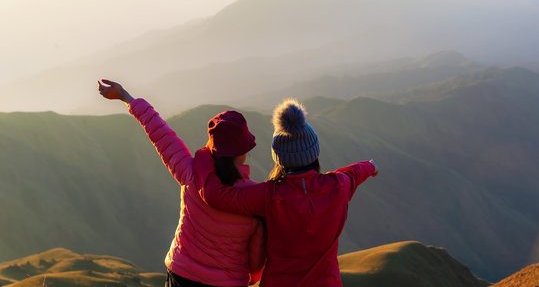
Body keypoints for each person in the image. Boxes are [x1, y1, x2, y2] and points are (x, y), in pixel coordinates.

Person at [97, 79, 265, 287]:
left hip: (181, 275)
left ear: (212, 147)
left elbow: (160, 133)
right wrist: (249, 277)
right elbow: (256, 258)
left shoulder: (191, 174)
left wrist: (125, 96)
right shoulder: (256, 199)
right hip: (227, 283)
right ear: (243, 152)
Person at [195, 98, 379, 287]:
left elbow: (215, 196)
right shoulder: (338, 186)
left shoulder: (268, 195)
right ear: (314, 153)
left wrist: (203, 155)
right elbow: (354, 173)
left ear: (279, 158)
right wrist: (370, 166)